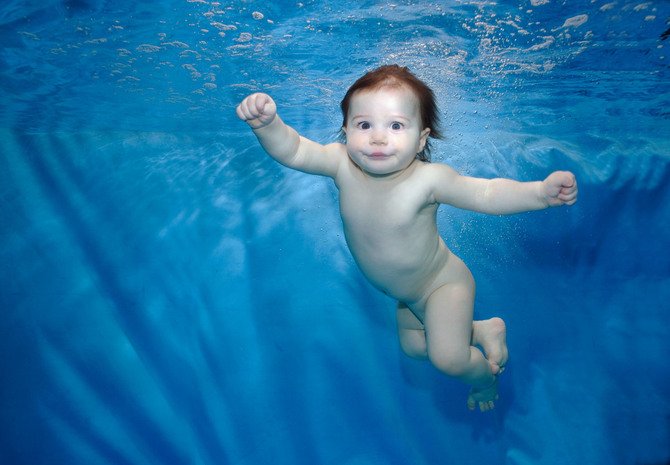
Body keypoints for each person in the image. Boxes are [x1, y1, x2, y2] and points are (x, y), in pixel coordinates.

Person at [236, 64, 578, 412]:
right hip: (406, 295)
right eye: (364, 124)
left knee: (448, 359)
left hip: (441, 285)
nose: (378, 137)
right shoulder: (341, 164)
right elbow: (294, 150)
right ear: (345, 131)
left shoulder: (428, 180)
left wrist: (539, 194)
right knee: (416, 348)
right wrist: (267, 126)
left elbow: (486, 194)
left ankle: (484, 382)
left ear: (421, 139)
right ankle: (482, 330)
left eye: (396, 125)